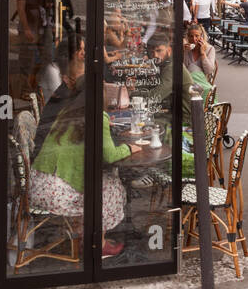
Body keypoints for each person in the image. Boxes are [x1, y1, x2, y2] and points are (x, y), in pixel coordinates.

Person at [30, 86, 144, 259]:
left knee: (102, 180)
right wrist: (129, 147)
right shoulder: (98, 117)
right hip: (55, 192)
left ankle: (84, 232)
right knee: (111, 185)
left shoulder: (68, 112)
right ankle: (98, 243)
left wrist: (105, 124)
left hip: (38, 184)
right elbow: (110, 155)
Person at [147, 31, 198, 125]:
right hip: (173, 112)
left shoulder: (172, 67)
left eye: (159, 51)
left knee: (143, 122)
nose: (155, 55)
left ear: (169, 50)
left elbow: (155, 97)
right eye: (151, 51)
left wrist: (131, 95)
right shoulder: (167, 63)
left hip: (183, 120)